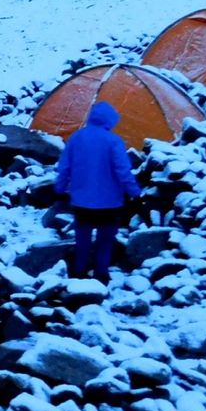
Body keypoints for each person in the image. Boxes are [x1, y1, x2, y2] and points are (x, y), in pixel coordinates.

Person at [54, 100, 142, 282]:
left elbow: (64, 168)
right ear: (110, 120)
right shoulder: (114, 141)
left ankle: (79, 272)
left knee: (82, 241)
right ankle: (101, 274)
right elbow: (123, 171)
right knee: (105, 242)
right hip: (110, 203)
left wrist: (60, 189)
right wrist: (134, 192)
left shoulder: (76, 138)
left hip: (81, 202)